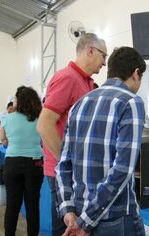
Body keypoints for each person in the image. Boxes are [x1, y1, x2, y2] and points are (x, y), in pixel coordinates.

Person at [55, 46, 146, 236]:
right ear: (136, 73)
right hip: (114, 217)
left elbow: (62, 165)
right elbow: (122, 170)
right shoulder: (131, 102)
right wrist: (87, 220)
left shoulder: (79, 104)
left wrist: (69, 210)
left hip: (78, 214)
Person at [37, 33, 107, 236]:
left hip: (75, 172)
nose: (104, 62)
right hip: (65, 174)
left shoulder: (85, 81)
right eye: (104, 56)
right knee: (66, 228)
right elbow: (44, 125)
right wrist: (66, 164)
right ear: (90, 50)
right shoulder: (67, 78)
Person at [0, 86, 44, 236]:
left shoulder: (6, 119)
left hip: (12, 163)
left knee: (12, 205)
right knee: (32, 205)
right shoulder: (40, 118)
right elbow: (44, 140)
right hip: (35, 162)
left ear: (18, 101)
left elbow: (3, 140)